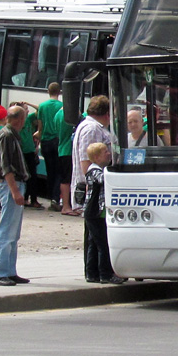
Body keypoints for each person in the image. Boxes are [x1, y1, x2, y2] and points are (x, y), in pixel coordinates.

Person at [0, 104, 31, 286]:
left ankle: (9, 271)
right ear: (19, 120)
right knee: (7, 231)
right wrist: (15, 191)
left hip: (13, 185)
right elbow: (6, 167)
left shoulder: (9, 135)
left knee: (13, 233)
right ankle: (0, 272)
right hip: (10, 186)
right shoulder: (6, 136)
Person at [82, 141, 124, 284]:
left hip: (96, 213)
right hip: (95, 213)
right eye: (105, 152)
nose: (108, 153)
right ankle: (105, 274)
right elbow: (104, 180)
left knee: (94, 243)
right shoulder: (94, 171)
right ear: (97, 157)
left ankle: (91, 273)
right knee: (103, 244)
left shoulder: (99, 168)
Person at [71, 95, 116, 215]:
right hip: (93, 192)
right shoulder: (92, 129)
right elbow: (87, 161)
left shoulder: (92, 126)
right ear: (107, 113)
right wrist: (90, 190)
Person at [37, 83, 64, 211]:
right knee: (59, 171)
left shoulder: (42, 106)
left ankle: (50, 196)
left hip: (45, 141)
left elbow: (40, 126)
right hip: (57, 140)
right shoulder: (61, 106)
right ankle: (55, 198)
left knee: (50, 171)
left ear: (48, 91)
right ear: (59, 92)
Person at [16, 100, 44, 209]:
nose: (28, 110)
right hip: (22, 152)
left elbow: (40, 109)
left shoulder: (29, 119)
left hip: (30, 151)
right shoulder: (19, 121)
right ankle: (26, 198)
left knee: (32, 176)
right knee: (24, 176)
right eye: (25, 108)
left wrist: (29, 103)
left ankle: (32, 199)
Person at [56, 103, 78, 215]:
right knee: (66, 179)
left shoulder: (57, 114)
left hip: (62, 149)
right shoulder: (68, 116)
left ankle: (67, 205)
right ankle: (66, 206)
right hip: (68, 150)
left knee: (65, 178)